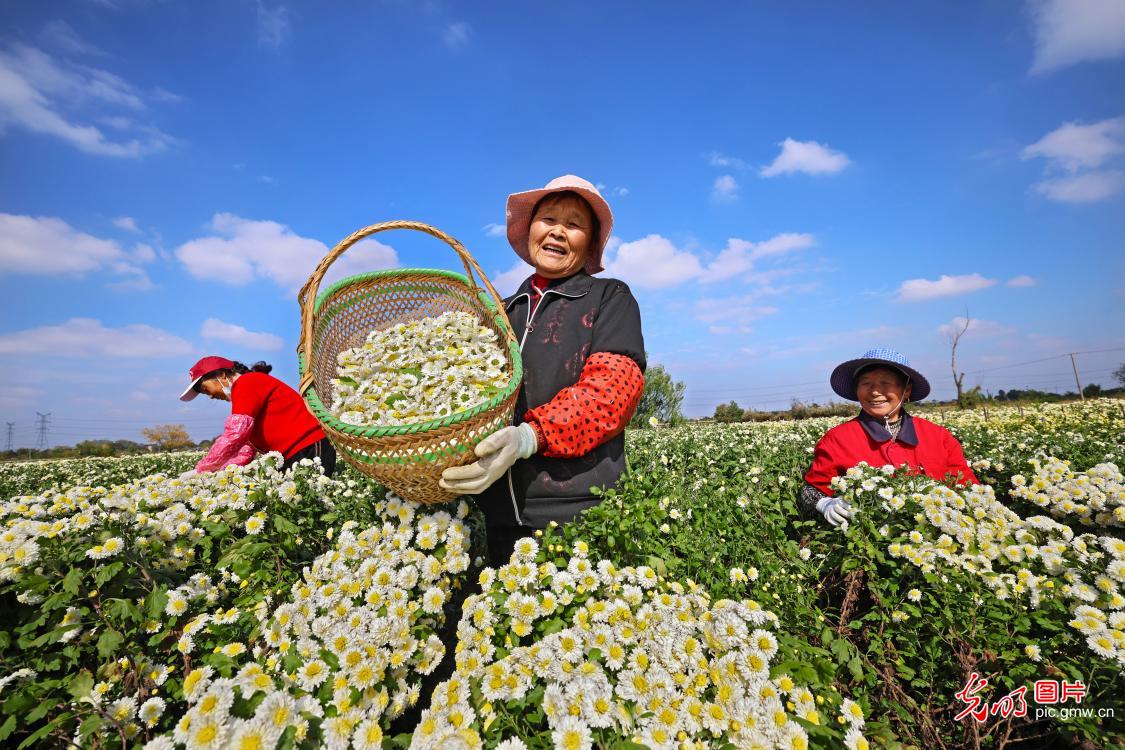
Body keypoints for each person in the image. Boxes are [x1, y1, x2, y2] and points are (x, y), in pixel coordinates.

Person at [439, 175, 646, 566]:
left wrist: (530, 436)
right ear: (530, 229)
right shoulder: (501, 312)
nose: (558, 232)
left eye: (573, 224)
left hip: (579, 516)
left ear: (589, 242)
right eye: (548, 219)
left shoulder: (608, 298)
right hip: (496, 514)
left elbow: (613, 391)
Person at [800, 348, 978, 528]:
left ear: (906, 390)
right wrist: (823, 504)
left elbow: (969, 489)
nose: (875, 391)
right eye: (866, 383)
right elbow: (811, 490)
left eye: (886, 383)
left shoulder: (939, 437)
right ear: (856, 389)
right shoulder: (837, 439)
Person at [179, 356, 337, 476]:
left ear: (222, 375)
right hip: (294, 453)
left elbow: (235, 435)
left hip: (308, 448)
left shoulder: (246, 383)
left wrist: (203, 469)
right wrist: (222, 470)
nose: (211, 396)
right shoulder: (245, 392)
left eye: (206, 390)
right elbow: (245, 447)